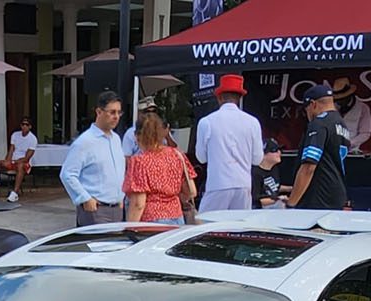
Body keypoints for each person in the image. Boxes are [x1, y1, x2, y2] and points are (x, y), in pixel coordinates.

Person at [194, 74, 264, 212]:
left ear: (219, 98)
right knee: (238, 228)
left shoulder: (207, 122)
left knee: (207, 225)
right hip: (243, 184)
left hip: (218, 183)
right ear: (239, 98)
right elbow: (257, 159)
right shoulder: (252, 122)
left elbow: (201, 158)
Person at [60, 91, 127, 227]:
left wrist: (121, 196)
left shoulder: (116, 139)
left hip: (117, 209)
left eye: (119, 113)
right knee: (98, 247)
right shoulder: (85, 142)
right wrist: (85, 198)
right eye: (112, 112)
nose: (116, 117)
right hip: (96, 210)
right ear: (99, 112)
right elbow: (67, 174)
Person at [122, 111, 197, 225]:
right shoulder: (177, 155)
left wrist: (130, 227)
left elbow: (138, 203)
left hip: (152, 220)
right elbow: (191, 191)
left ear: (137, 136)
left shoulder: (139, 161)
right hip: (177, 217)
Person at [288, 83, 350, 210]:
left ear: (313, 104)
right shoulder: (342, 124)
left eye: (307, 109)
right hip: (337, 195)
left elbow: (309, 166)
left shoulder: (319, 124)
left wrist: (291, 203)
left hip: (318, 200)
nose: (308, 114)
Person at [0, 118, 37, 202]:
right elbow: (11, 150)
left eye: (26, 125)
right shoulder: (15, 135)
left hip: (24, 163)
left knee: (20, 166)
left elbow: (27, 158)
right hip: (13, 161)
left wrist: (14, 162)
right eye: (23, 124)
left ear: (30, 126)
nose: (24, 126)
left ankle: (15, 193)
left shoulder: (33, 139)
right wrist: (8, 160)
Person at [333, 77, 371, 154]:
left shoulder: (363, 108)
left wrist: (350, 143)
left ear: (349, 96)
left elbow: (365, 133)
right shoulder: (331, 108)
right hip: (332, 151)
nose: (339, 102)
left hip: (352, 151)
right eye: (337, 99)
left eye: (342, 99)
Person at [252, 138, 287, 208]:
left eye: (280, 150)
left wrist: (292, 188)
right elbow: (255, 200)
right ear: (263, 154)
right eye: (274, 151)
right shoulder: (255, 174)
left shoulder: (274, 169)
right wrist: (279, 199)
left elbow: (275, 187)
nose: (279, 153)